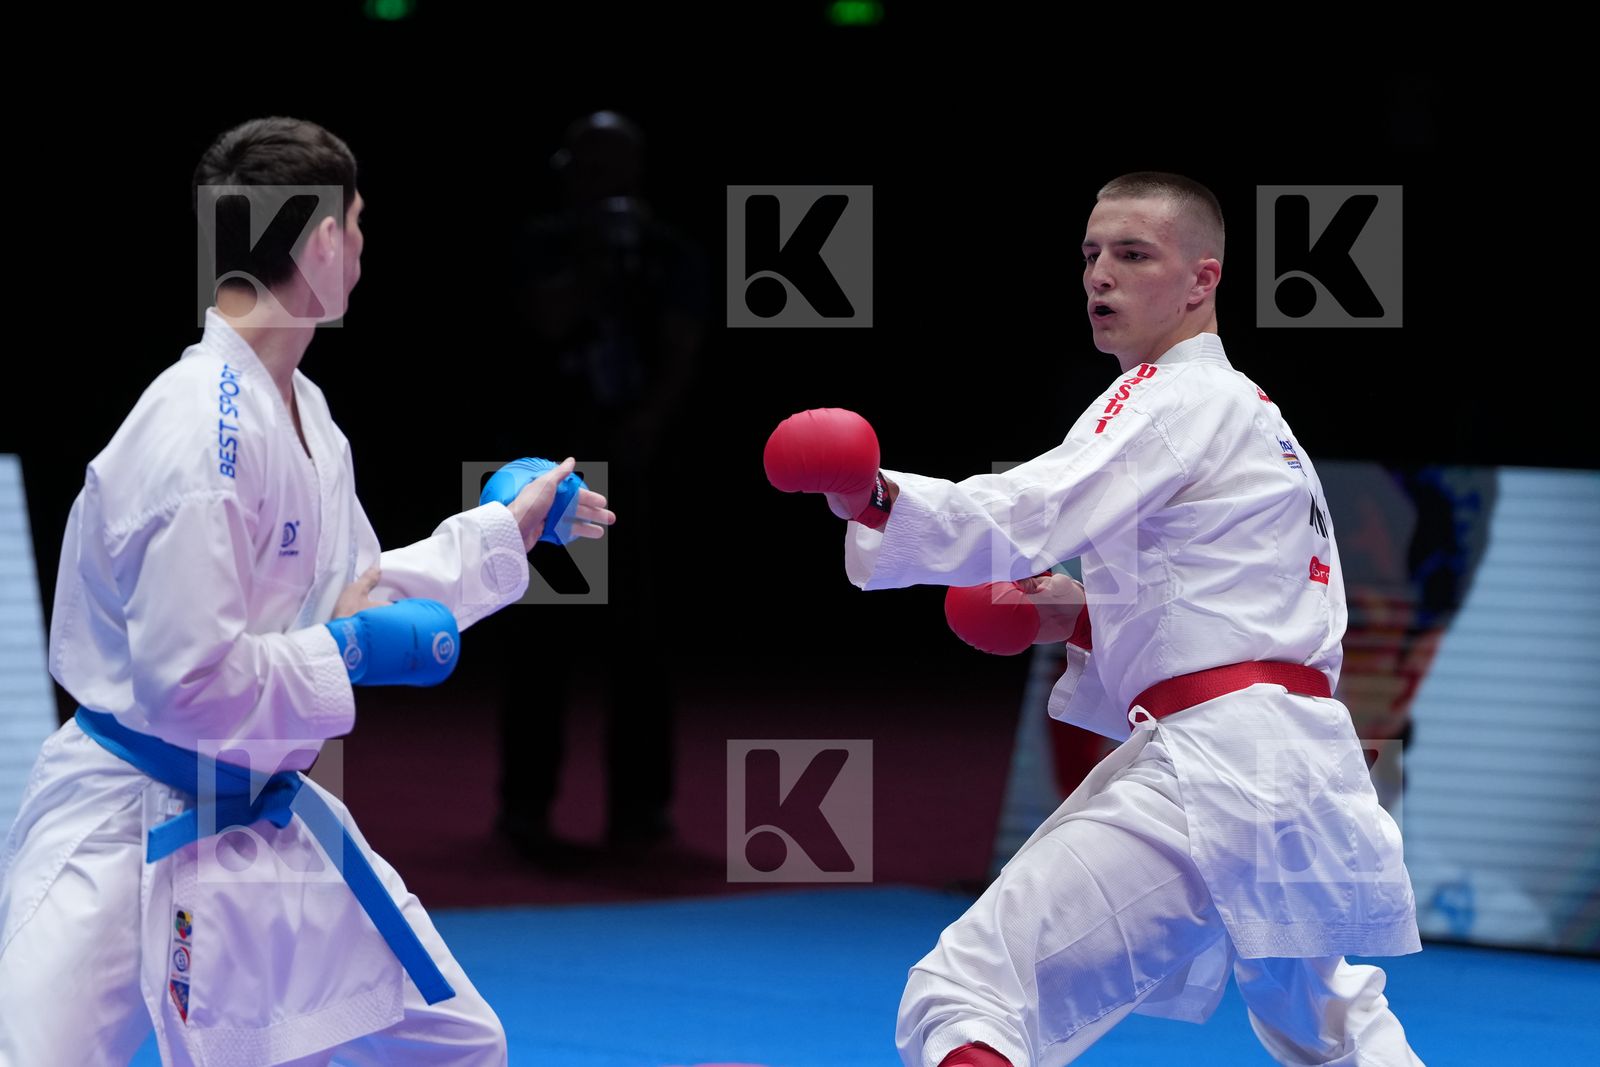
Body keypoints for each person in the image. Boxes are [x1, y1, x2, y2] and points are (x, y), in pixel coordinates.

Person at [765, 173, 1424, 1066]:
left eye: (1132, 254)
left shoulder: (1167, 395)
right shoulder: (1262, 418)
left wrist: (873, 494)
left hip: (1219, 766)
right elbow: (1246, 617)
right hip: (1301, 766)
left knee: (967, 993)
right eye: (1089, 255)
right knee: (1333, 1031)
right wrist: (1077, 617)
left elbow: (1032, 508)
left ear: (1201, 280)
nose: (1098, 276)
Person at [0, 116, 614, 1066]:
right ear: (322, 238)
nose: (366, 247)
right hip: (126, 824)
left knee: (458, 1047)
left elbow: (358, 593)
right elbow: (188, 682)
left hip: (263, 815)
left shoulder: (306, 411)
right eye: (358, 224)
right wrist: (353, 652)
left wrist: (504, 532)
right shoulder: (197, 434)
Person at [494, 110, 707, 858]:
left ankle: (642, 811)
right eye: (589, 166)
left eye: (615, 167)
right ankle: (524, 809)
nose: (602, 183)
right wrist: (590, 259)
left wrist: (645, 428)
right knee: (540, 639)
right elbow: (543, 322)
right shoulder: (541, 244)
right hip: (548, 470)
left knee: (640, 643)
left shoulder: (667, 250)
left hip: (638, 469)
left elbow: (684, 347)